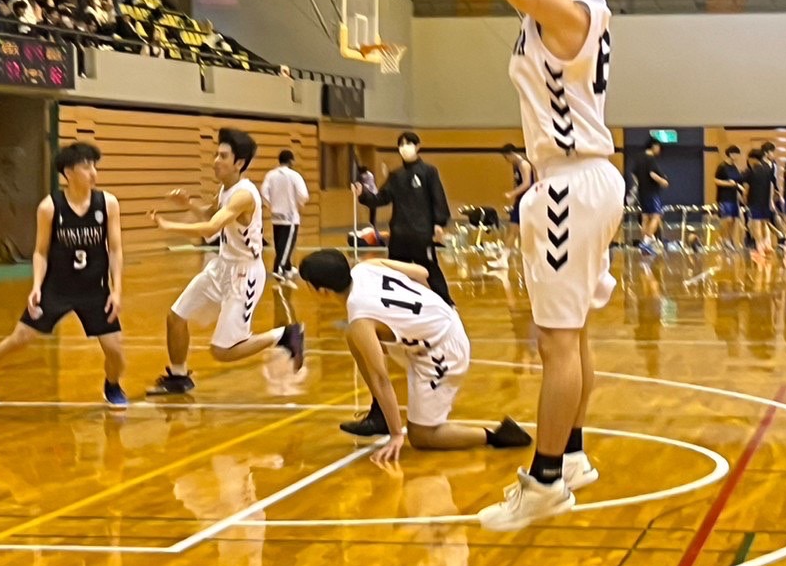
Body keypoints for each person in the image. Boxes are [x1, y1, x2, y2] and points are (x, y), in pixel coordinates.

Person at [464, 0, 626, 530]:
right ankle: (576, 451)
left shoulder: (561, 14)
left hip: (567, 190)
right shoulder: (574, 1)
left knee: (556, 342)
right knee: (574, 334)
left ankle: (545, 480)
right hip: (586, 181)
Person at [299, 249, 532, 457]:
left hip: (443, 350)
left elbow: (381, 378)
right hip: (445, 320)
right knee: (353, 337)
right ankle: (381, 414)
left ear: (322, 291)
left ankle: (496, 435)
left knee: (422, 437)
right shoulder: (365, 267)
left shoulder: (360, 317)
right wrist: (426, 313)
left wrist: (396, 434)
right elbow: (421, 272)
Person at [0, 143, 126, 407]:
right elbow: (41, 252)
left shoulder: (108, 203)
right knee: (19, 338)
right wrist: (36, 287)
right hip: (56, 288)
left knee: (115, 351)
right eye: (86, 166)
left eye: (95, 166)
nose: (93, 172)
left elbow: (115, 249)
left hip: (94, 289)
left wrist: (117, 290)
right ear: (68, 172)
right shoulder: (49, 207)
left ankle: (112, 385)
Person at [149, 128, 305, 395]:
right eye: (216, 154)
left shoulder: (244, 195)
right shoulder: (226, 189)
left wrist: (167, 225)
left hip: (244, 276)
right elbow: (211, 212)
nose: (215, 161)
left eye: (223, 156)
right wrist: (187, 204)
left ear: (239, 163)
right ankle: (178, 376)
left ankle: (284, 335)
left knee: (222, 351)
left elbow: (210, 228)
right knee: (176, 317)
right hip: (221, 266)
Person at [355, 131, 453, 305]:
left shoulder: (429, 172)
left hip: (422, 233)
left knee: (429, 266)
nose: (404, 148)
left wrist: (439, 224)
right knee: (396, 269)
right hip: (400, 232)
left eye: (408, 143)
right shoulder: (396, 176)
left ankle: (445, 302)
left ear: (417, 146)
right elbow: (381, 198)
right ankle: (397, 302)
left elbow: (438, 197)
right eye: (401, 144)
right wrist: (364, 195)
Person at [261, 149, 310, 288]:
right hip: (290, 217)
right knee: (287, 244)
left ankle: (287, 267)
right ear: (291, 161)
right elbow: (303, 194)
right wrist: (300, 203)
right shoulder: (294, 176)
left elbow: (264, 192)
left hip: (276, 217)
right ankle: (279, 269)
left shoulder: (270, 175)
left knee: (279, 244)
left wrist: (270, 206)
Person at [489, 143, 534, 271]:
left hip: (527, 200)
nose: (506, 160)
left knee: (517, 230)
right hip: (520, 201)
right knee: (513, 230)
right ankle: (504, 259)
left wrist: (511, 194)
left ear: (510, 154)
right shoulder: (515, 166)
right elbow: (518, 185)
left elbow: (527, 184)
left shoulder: (523, 164)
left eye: (506, 157)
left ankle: (505, 259)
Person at [632, 136, 669, 255]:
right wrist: (663, 181)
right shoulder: (650, 159)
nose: (659, 150)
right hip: (652, 192)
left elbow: (634, 175)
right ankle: (647, 242)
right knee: (656, 216)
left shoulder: (638, 159)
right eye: (658, 147)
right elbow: (652, 174)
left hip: (642, 192)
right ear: (654, 146)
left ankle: (644, 243)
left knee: (645, 218)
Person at [744, 148, 778, 258]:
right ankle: (766, 246)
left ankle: (759, 249)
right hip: (766, 201)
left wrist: (745, 198)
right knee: (764, 223)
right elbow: (772, 185)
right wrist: (771, 200)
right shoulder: (768, 169)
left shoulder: (750, 171)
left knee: (756, 224)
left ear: (753, 159)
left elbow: (747, 188)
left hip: (754, 201)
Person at [714, 145, 745, 251]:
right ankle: (724, 239)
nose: (737, 156)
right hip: (724, 197)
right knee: (727, 219)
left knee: (733, 220)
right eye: (736, 154)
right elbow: (716, 180)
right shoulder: (722, 166)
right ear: (731, 154)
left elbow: (738, 182)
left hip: (734, 197)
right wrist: (728, 183)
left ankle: (730, 240)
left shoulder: (735, 167)